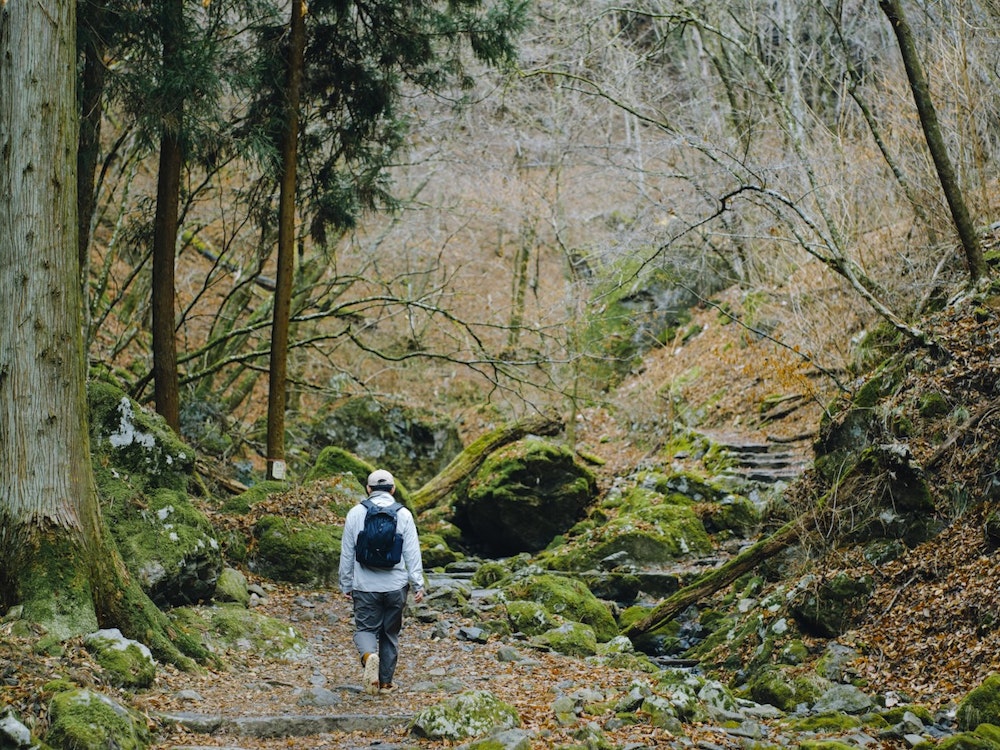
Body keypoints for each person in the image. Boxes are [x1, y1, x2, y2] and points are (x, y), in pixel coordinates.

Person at [338, 468, 425, 695]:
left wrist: (346, 584)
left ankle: (369, 656)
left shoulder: (355, 513)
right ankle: (386, 683)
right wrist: (418, 584)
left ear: (368, 489)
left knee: (365, 629)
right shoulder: (404, 514)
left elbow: (347, 553)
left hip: (365, 586)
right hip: (395, 586)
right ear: (393, 489)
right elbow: (412, 553)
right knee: (390, 634)